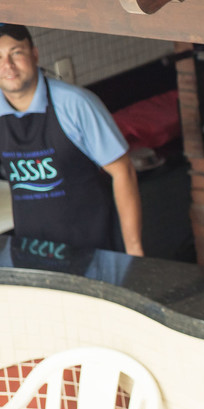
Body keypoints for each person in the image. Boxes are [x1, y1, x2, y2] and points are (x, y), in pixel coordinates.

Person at [0, 24, 142, 254]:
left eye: (16, 53)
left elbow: (123, 171)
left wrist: (134, 250)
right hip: (31, 252)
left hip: (95, 249)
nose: (8, 66)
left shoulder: (75, 104)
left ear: (34, 54)